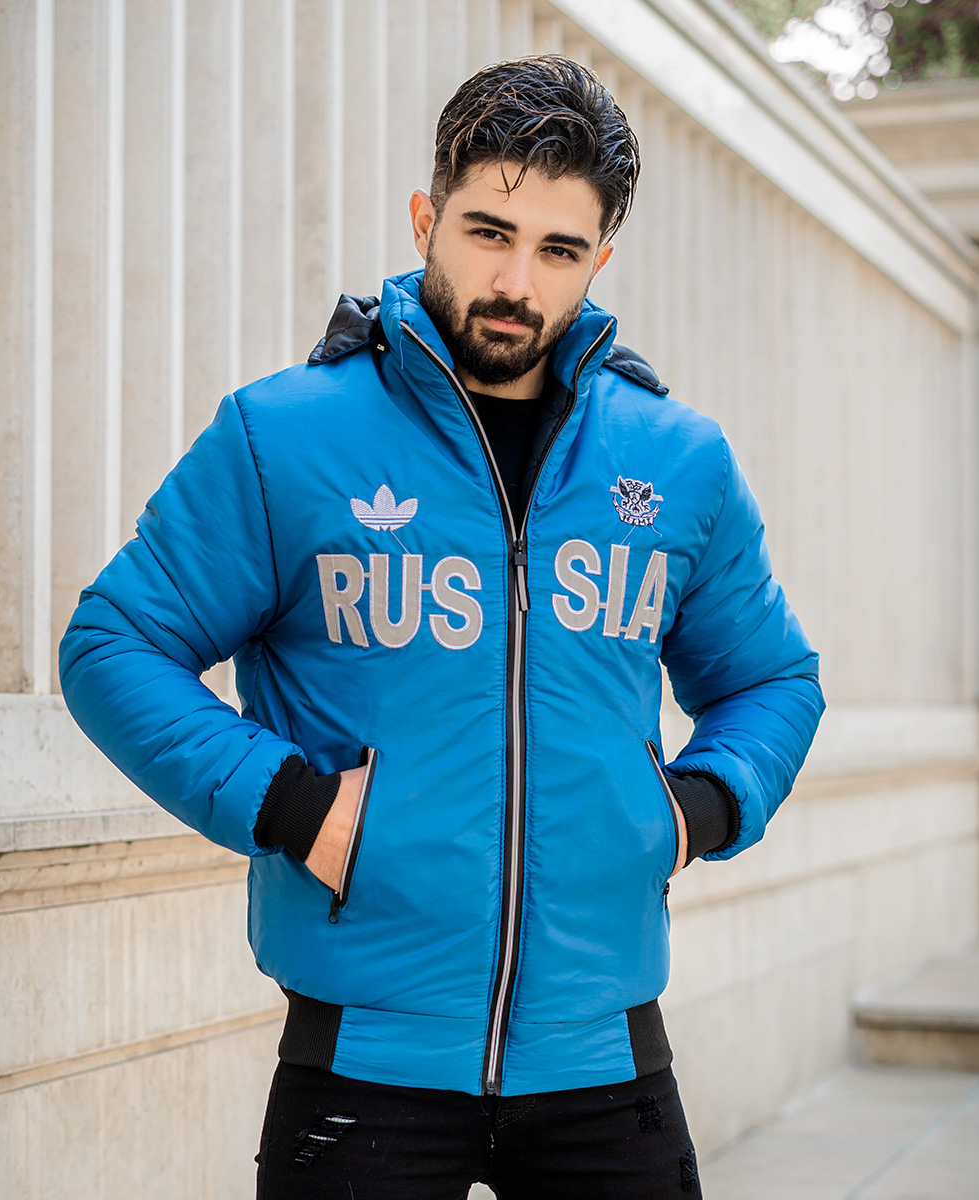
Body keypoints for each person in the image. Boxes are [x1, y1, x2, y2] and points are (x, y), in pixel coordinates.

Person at [60, 54, 824, 1199]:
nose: (516, 280)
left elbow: (773, 680)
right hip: (363, 1064)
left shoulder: (676, 461)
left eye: (558, 250)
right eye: (488, 233)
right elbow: (114, 644)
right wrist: (296, 806)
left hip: (606, 1059)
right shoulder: (287, 437)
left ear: (599, 261)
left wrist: (692, 811)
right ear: (427, 220)